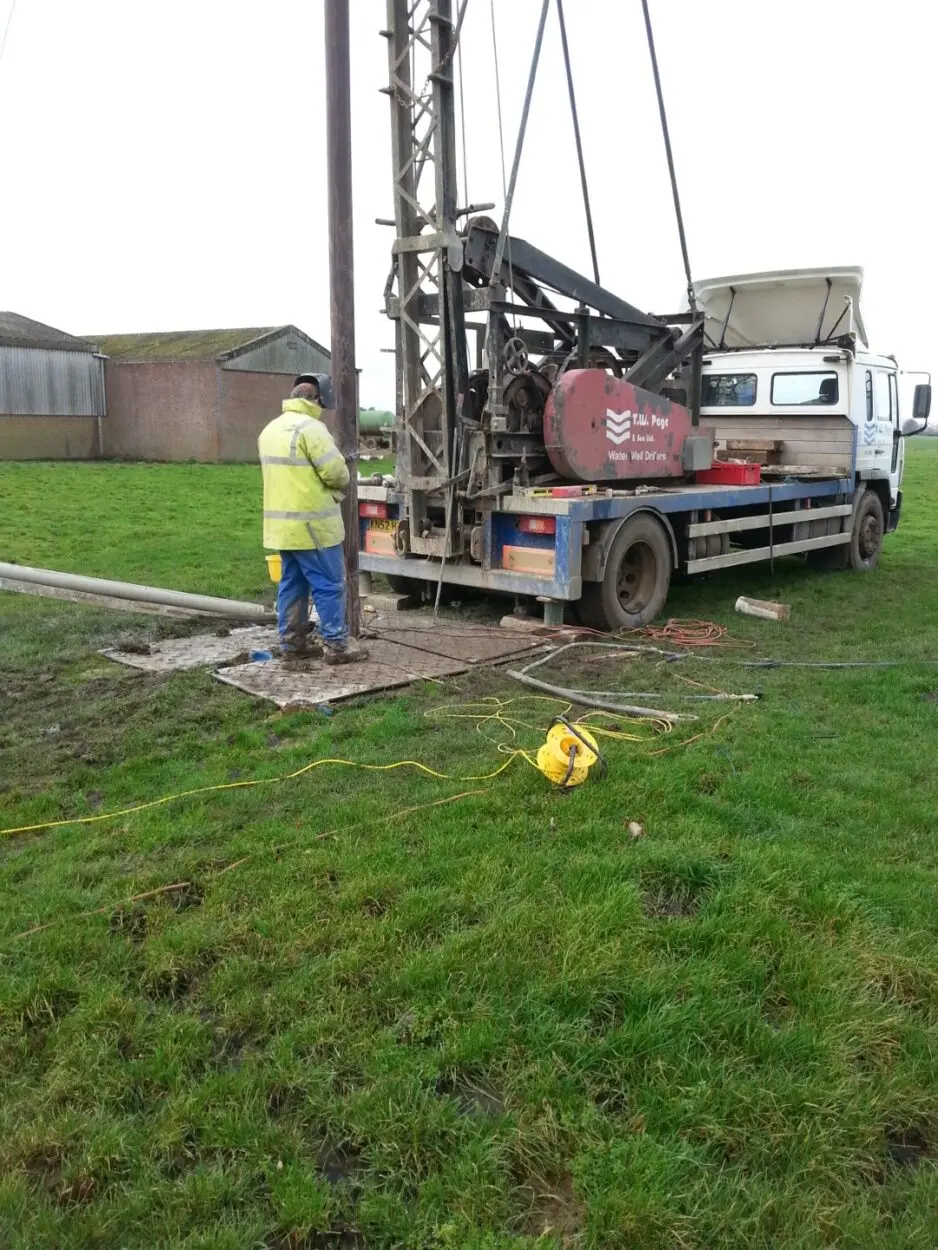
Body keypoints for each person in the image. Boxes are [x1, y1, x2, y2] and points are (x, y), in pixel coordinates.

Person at [258, 380, 368, 665]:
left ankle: (293, 644)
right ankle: (337, 644)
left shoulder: (270, 429)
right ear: (315, 400)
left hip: (282, 529)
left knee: (292, 585)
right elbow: (337, 474)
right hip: (313, 526)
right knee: (329, 584)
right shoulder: (312, 430)